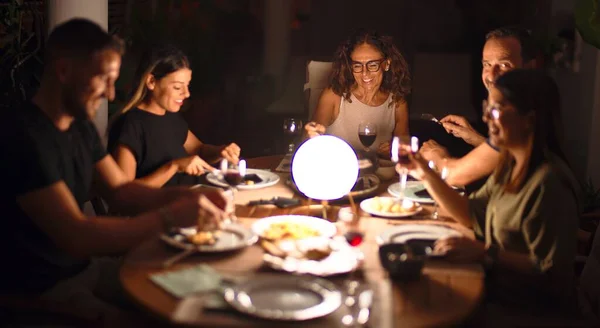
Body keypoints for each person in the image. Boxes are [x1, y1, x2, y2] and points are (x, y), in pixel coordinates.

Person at [0, 19, 227, 317]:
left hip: (83, 267)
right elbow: (76, 234)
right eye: (103, 79)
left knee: (196, 296)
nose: (110, 93)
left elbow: (120, 189)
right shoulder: (24, 137)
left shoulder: (79, 127)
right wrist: (171, 217)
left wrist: (187, 198)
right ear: (64, 70)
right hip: (38, 289)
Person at [402, 70, 580, 316]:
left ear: (529, 119)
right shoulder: (509, 165)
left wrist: (484, 251)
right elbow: (471, 214)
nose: (486, 117)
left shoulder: (549, 182)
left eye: (496, 109)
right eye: (487, 106)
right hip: (495, 291)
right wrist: (425, 173)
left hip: (528, 312)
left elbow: (552, 273)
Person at [108, 44, 241, 188]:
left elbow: (199, 150)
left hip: (190, 200)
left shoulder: (171, 117)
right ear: (151, 81)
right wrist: (174, 167)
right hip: (160, 209)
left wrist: (220, 151)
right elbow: (124, 195)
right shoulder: (130, 126)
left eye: (187, 85)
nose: (187, 94)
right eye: (177, 87)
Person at [420, 26, 538, 187]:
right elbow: (507, 156)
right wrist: (474, 137)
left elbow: (455, 176)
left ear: (529, 67)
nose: (490, 75)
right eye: (487, 64)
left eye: (504, 65)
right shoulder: (516, 108)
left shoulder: (527, 115)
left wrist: (439, 158)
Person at [304, 28, 411, 154]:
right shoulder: (334, 96)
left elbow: (405, 150)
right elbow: (309, 143)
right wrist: (311, 135)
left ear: (386, 64)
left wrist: (395, 150)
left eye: (372, 65)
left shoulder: (397, 103)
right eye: (357, 65)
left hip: (378, 173)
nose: (365, 73)